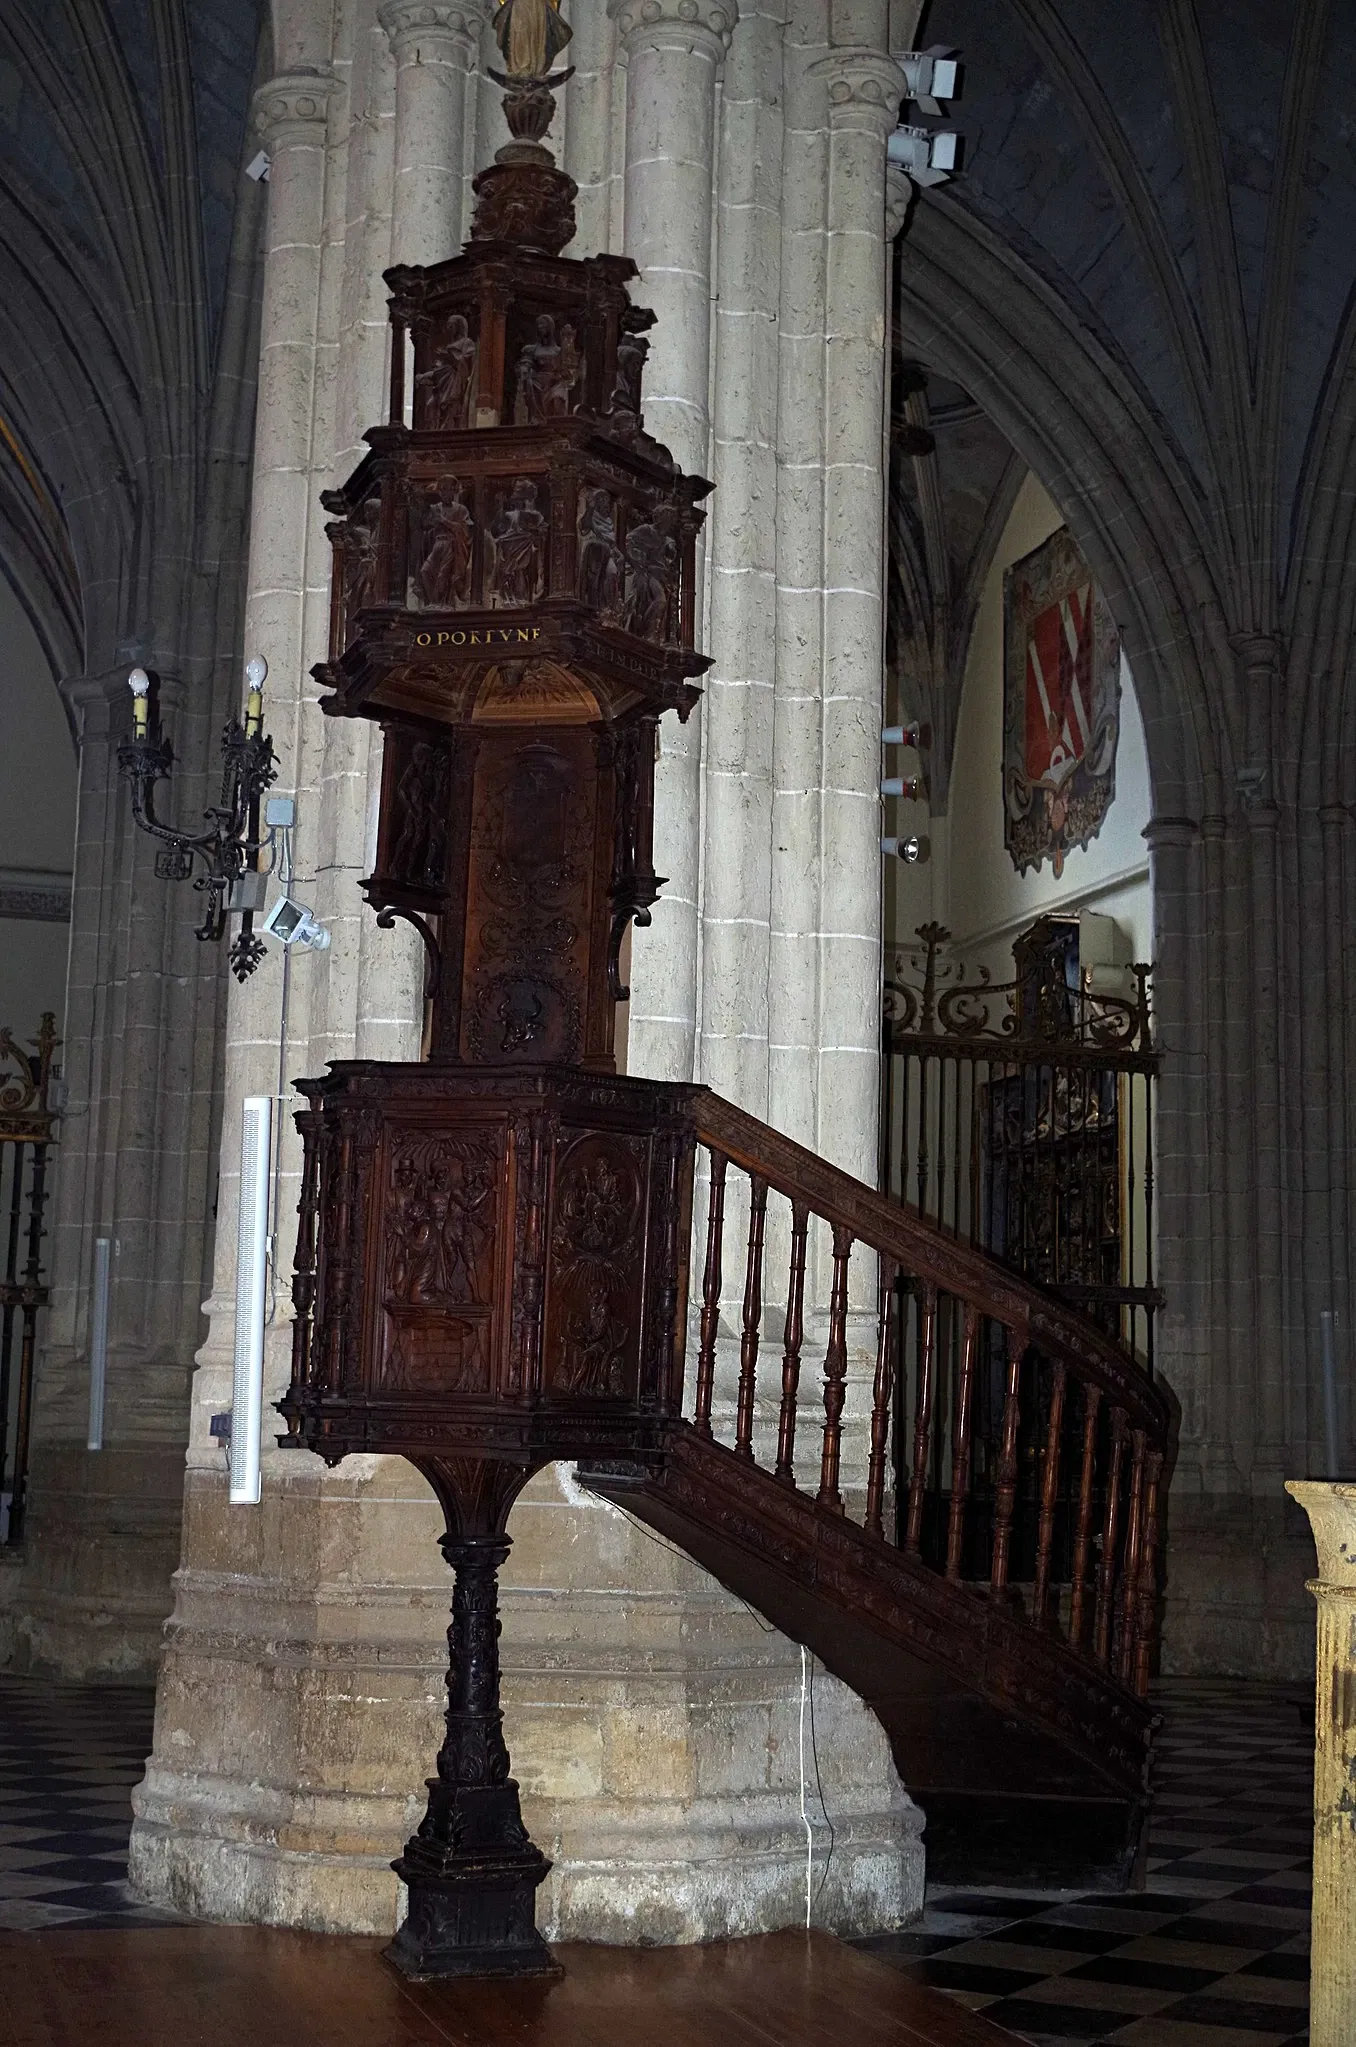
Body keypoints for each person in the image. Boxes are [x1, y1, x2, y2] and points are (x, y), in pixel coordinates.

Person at [492, 0, 572, 80]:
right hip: (520, 5)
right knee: (520, 34)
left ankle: (536, 67)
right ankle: (519, 67)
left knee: (536, 34)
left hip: (538, 5)